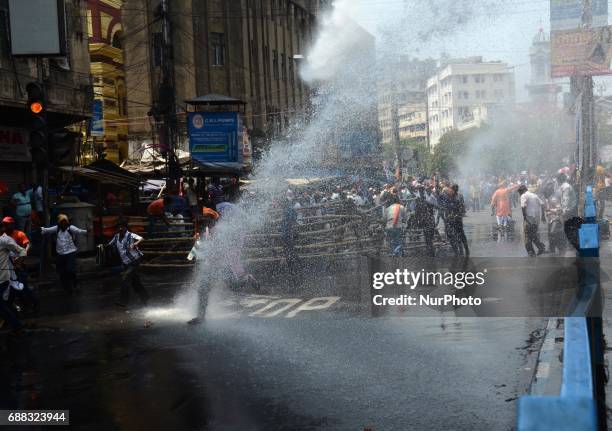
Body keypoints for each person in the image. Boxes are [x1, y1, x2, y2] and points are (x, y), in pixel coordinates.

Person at [41, 214, 88, 295]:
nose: (63, 224)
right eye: (62, 222)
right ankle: (67, 288)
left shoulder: (71, 228)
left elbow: (79, 231)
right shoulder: (57, 228)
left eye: (65, 222)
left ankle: (75, 282)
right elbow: (47, 230)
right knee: (61, 272)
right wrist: (41, 229)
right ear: (59, 223)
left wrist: (87, 231)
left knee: (70, 270)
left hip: (70, 252)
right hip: (60, 254)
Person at [108, 219, 149, 307]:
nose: (120, 228)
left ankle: (123, 301)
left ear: (125, 227)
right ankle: (145, 297)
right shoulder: (116, 237)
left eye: (122, 227)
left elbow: (141, 238)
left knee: (125, 279)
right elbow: (109, 245)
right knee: (135, 283)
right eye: (118, 227)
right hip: (126, 263)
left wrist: (136, 244)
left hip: (134, 261)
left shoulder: (130, 235)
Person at [2, 217, 38, 313]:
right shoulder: (3, 236)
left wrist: (22, 256)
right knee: (14, 288)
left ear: (13, 224)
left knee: (23, 288)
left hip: (20, 266)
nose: (6, 226)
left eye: (8, 224)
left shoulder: (19, 234)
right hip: (9, 267)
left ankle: (33, 302)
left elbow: (28, 245)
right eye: (4, 224)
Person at [0, 222, 27, 331]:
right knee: (4, 304)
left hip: (2, 278)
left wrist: (18, 263)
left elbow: (22, 251)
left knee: (2, 305)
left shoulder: (5, 240)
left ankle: (17, 326)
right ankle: (14, 322)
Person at [518, 185, 546, 257]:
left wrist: (524, 217)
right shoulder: (535, 195)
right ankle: (541, 247)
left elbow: (523, 207)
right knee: (533, 235)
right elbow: (542, 205)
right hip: (536, 219)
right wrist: (543, 216)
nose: (520, 195)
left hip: (529, 218)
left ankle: (531, 252)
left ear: (522, 191)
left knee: (527, 235)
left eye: (520, 193)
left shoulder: (523, 195)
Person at [444, 184, 470, 257]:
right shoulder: (448, 196)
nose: (449, 190)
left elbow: (462, 208)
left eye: (450, 189)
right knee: (450, 234)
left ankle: (466, 249)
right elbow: (445, 206)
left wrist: (458, 214)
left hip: (457, 219)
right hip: (449, 219)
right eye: (449, 189)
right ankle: (456, 251)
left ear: (454, 190)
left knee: (461, 234)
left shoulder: (459, 197)